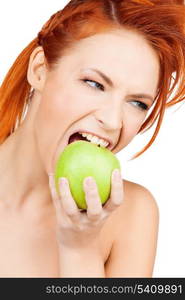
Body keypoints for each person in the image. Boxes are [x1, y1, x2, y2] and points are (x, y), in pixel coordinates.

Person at [0, 0, 184, 278]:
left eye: (137, 103)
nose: (113, 121)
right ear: (40, 70)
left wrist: (79, 248)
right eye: (95, 84)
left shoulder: (132, 215)